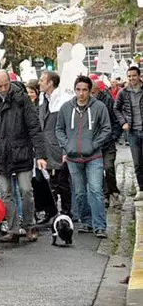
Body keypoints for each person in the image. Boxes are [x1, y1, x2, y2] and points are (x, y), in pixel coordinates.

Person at [0, 70, 48, 244]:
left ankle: (30, 225)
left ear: (10, 81)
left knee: (26, 190)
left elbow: (34, 127)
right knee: (5, 193)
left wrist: (40, 154)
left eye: (5, 85)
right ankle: (14, 228)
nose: (3, 89)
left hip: (21, 151)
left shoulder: (21, 98)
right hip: (0, 153)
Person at [56, 75, 111, 238]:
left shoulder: (99, 107)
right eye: (78, 90)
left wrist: (94, 144)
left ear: (90, 91)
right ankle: (86, 221)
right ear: (75, 90)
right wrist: (67, 145)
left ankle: (99, 225)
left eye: (85, 90)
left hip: (94, 157)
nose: (81, 93)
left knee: (95, 189)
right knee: (79, 192)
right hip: (73, 157)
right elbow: (59, 129)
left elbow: (106, 129)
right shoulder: (66, 108)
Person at [38, 71, 73, 217]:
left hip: (58, 147)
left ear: (50, 82)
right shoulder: (42, 98)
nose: (39, 82)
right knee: (47, 182)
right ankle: (50, 212)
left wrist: (66, 149)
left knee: (62, 182)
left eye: (42, 80)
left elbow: (67, 127)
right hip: (45, 148)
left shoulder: (64, 100)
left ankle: (66, 212)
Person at [91, 78, 122, 208]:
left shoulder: (108, 101)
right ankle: (105, 194)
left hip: (108, 142)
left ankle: (114, 190)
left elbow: (115, 120)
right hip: (94, 144)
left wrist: (113, 136)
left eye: (92, 91)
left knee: (108, 167)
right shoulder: (84, 103)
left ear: (98, 89)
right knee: (98, 171)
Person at [114, 67, 143, 193]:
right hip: (132, 133)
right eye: (129, 76)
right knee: (137, 163)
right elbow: (116, 108)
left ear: (139, 76)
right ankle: (141, 189)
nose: (131, 78)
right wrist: (123, 122)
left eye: (134, 76)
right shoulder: (123, 92)